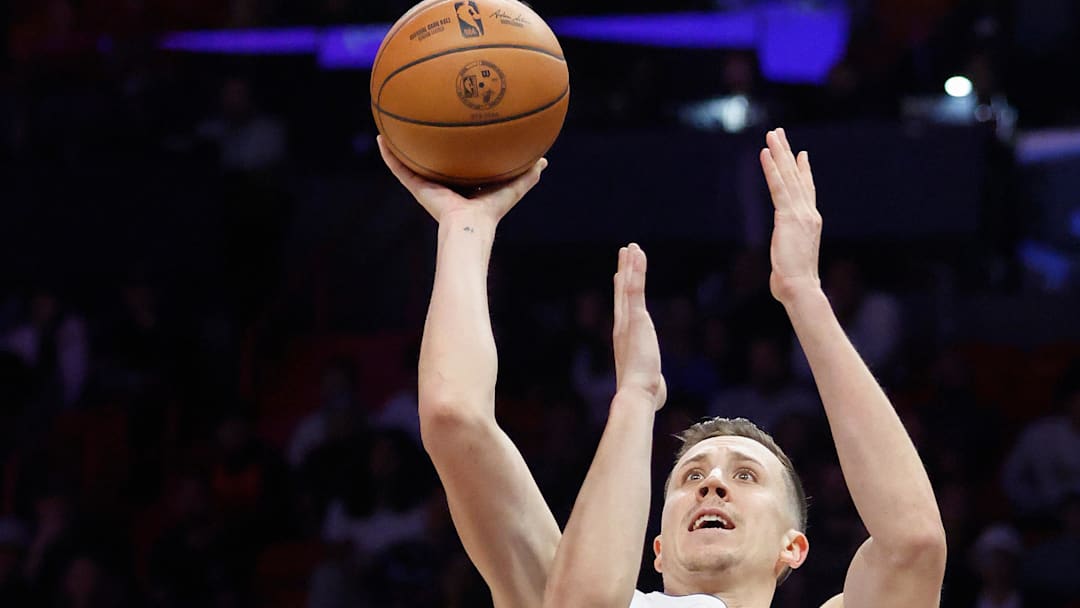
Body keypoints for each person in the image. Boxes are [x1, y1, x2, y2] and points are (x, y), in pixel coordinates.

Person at [376, 128, 947, 608]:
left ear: (791, 549)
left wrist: (804, 295)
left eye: (745, 476)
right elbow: (454, 419)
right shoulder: (584, 587)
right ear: (654, 546)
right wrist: (464, 229)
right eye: (689, 478)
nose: (713, 485)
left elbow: (913, 543)